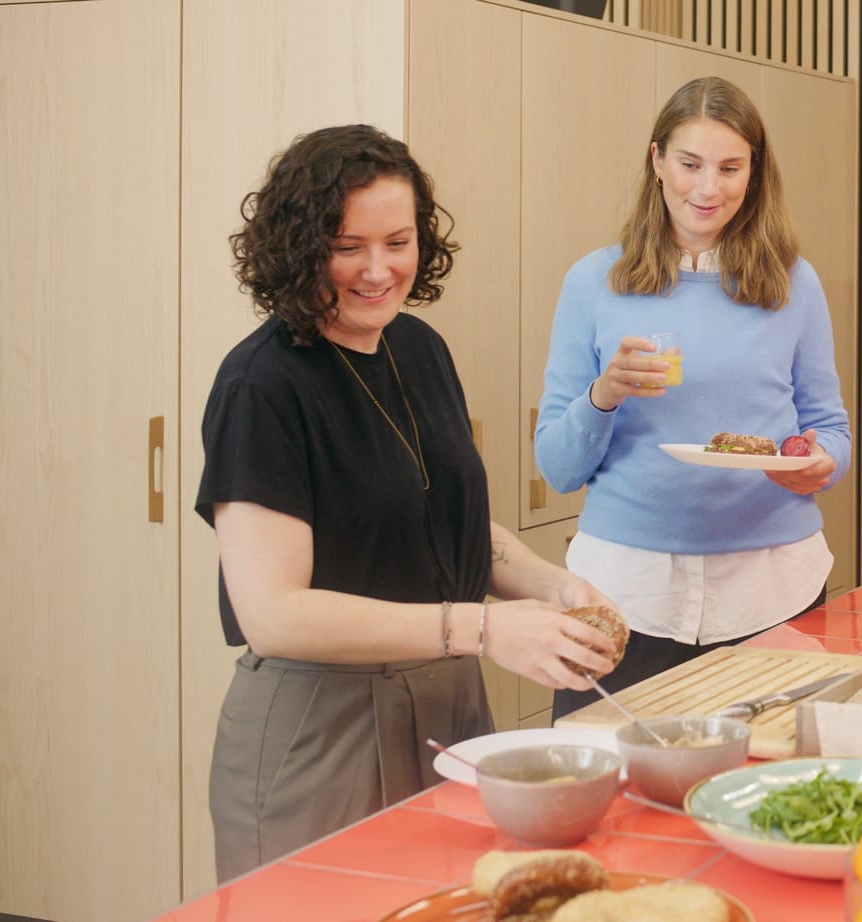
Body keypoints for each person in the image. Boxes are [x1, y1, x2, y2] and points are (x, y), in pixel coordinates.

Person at [197, 125, 625, 880]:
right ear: (297, 246)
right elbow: (273, 613)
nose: (376, 270)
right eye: (346, 245)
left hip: (451, 707)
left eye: (397, 242)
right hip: (318, 732)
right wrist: (485, 628)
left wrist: (556, 588)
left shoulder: (419, 349)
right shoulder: (261, 385)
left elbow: (449, 526)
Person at [536, 77, 851, 719]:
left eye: (730, 167)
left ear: (754, 172)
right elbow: (558, 468)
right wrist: (604, 395)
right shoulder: (594, 282)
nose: (708, 189)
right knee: (609, 791)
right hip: (626, 594)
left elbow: (829, 430)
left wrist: (821, 463)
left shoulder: (794, 282)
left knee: (769, 793)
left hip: (773, 586)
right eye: (690, 164)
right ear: (656, 161)